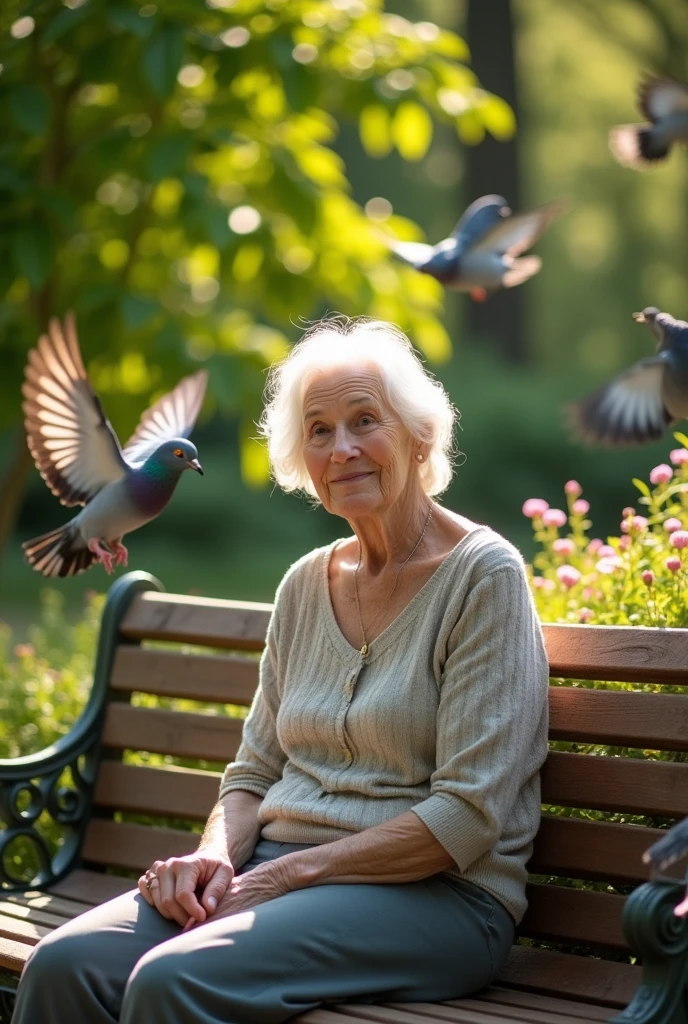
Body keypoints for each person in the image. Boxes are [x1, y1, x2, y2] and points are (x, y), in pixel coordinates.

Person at [13, 317, 550, 1024]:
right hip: (278, 871)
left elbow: (468, 816)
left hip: (440, 898)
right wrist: (214, 859)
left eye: (365, 420)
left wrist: (279, 878)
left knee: (173, 981)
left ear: (420, 438)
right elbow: (253, 775)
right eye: (319, 431)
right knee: (65, 965)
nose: (343, 448)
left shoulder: (484, 577)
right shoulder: (304, 583)